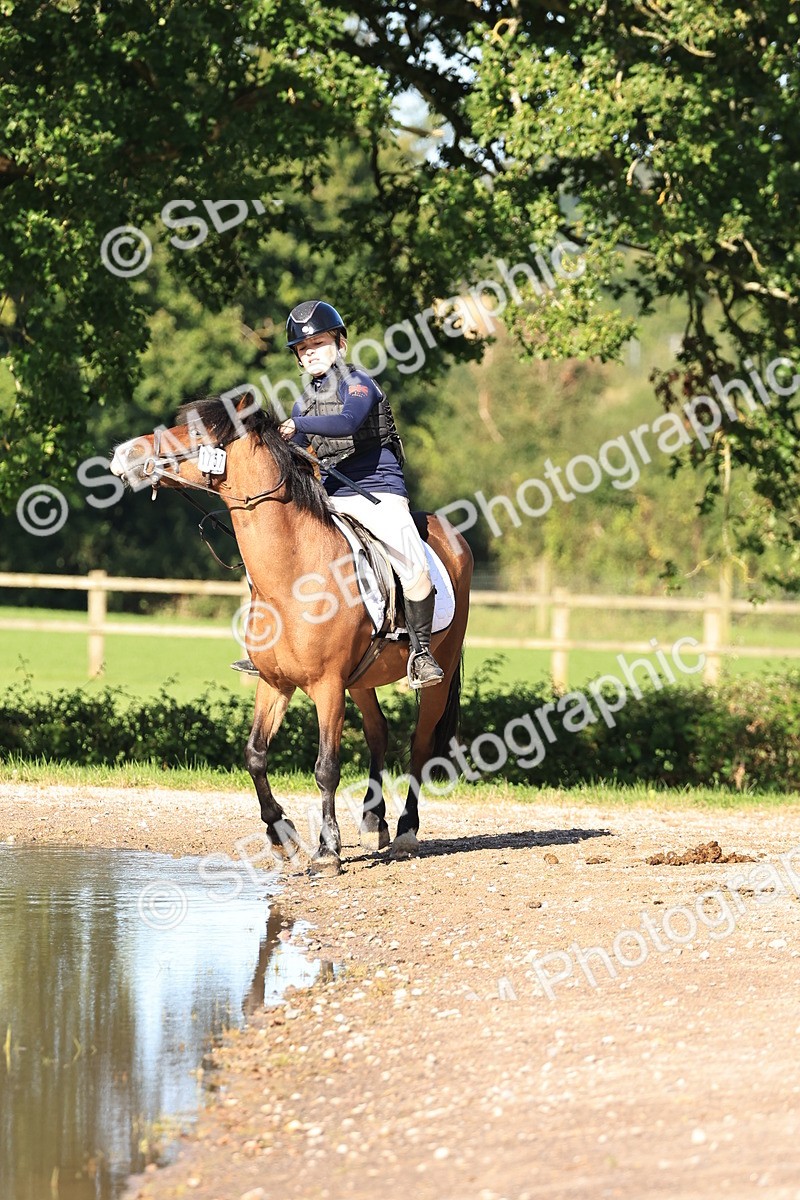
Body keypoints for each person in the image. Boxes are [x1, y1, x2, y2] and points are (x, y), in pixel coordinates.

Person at [247, 299, 444, 689]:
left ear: (340, 344)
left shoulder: (359, 384)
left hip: (378, 492)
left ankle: (421, 655)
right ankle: (269, 645)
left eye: (318, 343)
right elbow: (295, 449)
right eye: (304, 349)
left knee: (413, 568)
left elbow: (347, 421)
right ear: (299, 360)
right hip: (330, 495)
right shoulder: (304, 401)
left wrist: (296, 424)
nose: (311, 353)